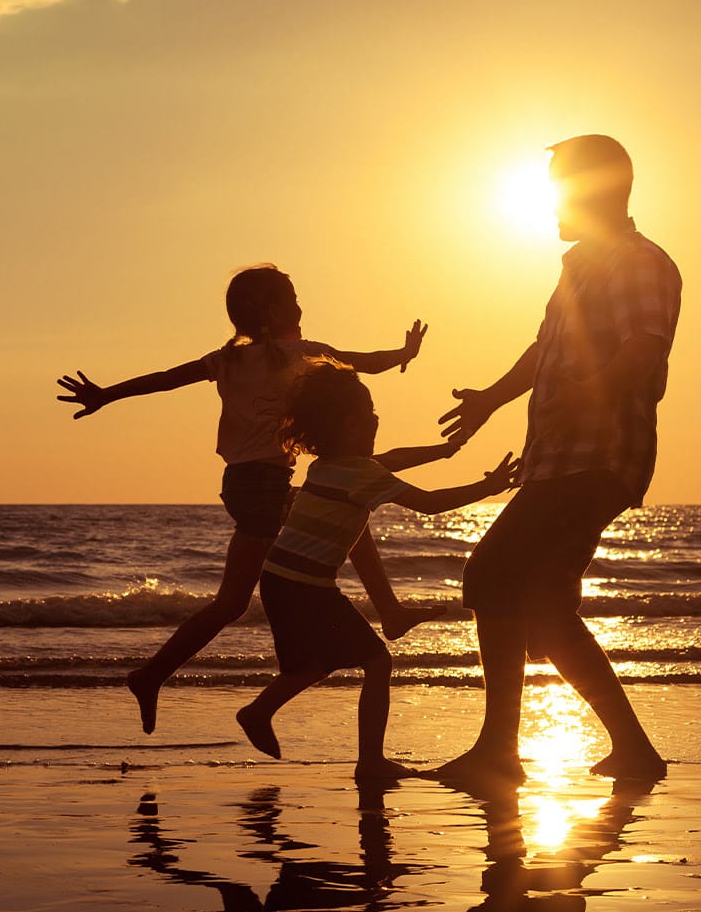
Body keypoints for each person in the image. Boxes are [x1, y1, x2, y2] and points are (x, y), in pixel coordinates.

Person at [57, 264, 445, 735]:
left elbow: (162, 378)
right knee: (273, 567)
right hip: (263, 488)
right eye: (295, 300)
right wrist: (405, 352)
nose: (302, 308)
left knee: (288, 557)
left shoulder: (227, 360)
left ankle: (152, 674)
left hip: (241, 484)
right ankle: (388, 611)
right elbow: (362, 361)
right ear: (274, 311)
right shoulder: (300, 353)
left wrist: (107, 394)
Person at [436, 134, 682, 787]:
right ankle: (632, 750)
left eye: (558, 191)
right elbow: (544, 348)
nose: (550, 207)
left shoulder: (638, 261)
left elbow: (645, 349)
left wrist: (588, 392)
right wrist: (491, 397)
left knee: (490, 575)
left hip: (596, 458)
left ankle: (498, 750)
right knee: (545, 606)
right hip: (561, 460)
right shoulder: (580, 268)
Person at [236, 360, 519, 783]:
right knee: (376, 662)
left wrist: (442, 451)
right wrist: (488, 487)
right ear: (353, 424)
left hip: (281, 580)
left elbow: (392, 459)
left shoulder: (329, 466)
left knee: (313, 664)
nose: (377, 421)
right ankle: (369, 761)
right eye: (371, 415)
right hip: (307, 588)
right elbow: (430, 502)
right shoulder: (362, 473)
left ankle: (258, 711)